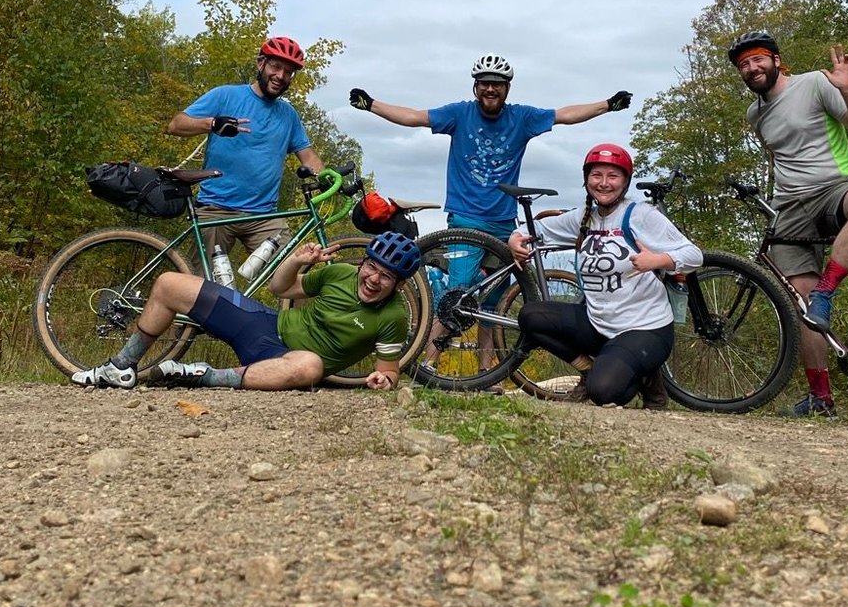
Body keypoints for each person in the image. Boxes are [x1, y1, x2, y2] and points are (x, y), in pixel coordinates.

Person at [350, 54, 632, 376]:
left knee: (493, 305)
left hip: (504, 223)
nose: (490, 89)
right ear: (475, 86)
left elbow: (565, 115)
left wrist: (607, 105)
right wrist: (371, 104)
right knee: (457, 296)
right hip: (465, 218)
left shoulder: (522, 118)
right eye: (484, 83)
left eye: (497, 84)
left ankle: (487, 373)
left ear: (507, 88)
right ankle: (427, 365)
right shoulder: (459, 114)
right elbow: (414, 117)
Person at [728, 30, 848, 418]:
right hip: (790, 208)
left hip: (834, 188)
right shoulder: (756, 114)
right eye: (744, 64)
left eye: (759, 58)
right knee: (801, 304)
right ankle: (821, 399)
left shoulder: (815, 84)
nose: (752, 67)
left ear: (777, 60)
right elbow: (782, 158)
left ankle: (827, 291)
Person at [69, 231, 421, 392]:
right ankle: (120, 368)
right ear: (363, 262)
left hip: (291, 360)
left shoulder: (392, 317)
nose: (373, 279)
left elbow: (388, 372)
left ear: (399, 285)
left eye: (386, 276)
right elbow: (280, 289)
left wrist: (383, 380)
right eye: (371, 268)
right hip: (263, 323)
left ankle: (200, 376)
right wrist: (296, 261)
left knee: (311, 366)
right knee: (168, 284)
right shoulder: (341, 273)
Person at [508, 144, 702, 407]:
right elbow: (534, 229)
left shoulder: (641, 215)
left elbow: (694, 255)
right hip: (598, 324)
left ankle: (647, 379)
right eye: (596, 175)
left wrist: (656, 260)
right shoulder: (583, 218)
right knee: (531, 316)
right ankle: (588, 370)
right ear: (587, 179)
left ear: (625, 181)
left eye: (613, 176)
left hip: (644, 328)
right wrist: (514, 240)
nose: (604, 183)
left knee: (603, 393)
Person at [167, 34, 324, 258]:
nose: (280, 76)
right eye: (276, 66)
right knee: (202, 286)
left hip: (264, 216)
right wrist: (212, 123)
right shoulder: (226, 95)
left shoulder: (288, 115)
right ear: (261, 64)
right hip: (216, 208)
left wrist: (325, 178)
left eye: (288, 72)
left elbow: (308, 156)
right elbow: (176, 125)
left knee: (293, 273)